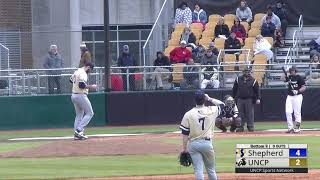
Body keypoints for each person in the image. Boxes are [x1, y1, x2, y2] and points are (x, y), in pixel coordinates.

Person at [179, 90, 224, 180]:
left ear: (194, 100)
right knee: (211, 170)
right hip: (207, 144)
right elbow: (222, 105)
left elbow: (185, 134)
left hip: (193, 145)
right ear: (204, 99)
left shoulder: (188, 114)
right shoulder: (211, 110)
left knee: (198, 170)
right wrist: (209, 98)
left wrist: (184, 149)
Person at [70, 62, 97, 140]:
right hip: (80, 95)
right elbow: (81, 85)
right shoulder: (83, 73)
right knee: (90, 113)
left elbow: (70, 80)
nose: (90, 71)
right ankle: (79, 130)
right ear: (88, 67)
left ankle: (76, 134)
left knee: (79, 115)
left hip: (74, 95)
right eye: (90, 69)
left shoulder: (77, 71)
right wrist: (91, 86)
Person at [232, 67, 261, 132]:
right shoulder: (238, 79)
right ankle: (240, 126)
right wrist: (233, 97)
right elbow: (234, 89)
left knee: (250, 113)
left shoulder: (254, 80)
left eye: (248, 72)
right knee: (240, 113)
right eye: (246, 72)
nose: (247, 73)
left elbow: (257, 90)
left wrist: (258, 98)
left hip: (249, 99)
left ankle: (250, 126)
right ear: (243, 72)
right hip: (240, 99)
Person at [284, 66, 306, 133]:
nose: (291, 72)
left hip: (297, 96)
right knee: (288, 112)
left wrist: (298, 91)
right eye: (290, 71)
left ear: (295, 71)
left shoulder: (299, 77)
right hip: (290, 96)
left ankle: (297, 128)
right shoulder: (289, 77)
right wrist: (286, 72)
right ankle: (290, 128)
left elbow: (304, 87)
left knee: (297, 113)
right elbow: (282, 79)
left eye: (292, 71)